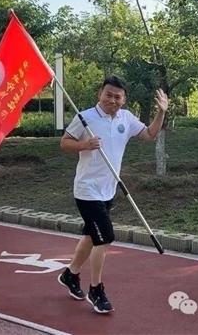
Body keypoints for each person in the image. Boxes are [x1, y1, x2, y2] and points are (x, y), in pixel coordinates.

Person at [57, 75, 168, 314]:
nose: (113, 100)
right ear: (100, 94)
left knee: (91, 235)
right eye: (109, 95)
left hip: (109, 189)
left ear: (124, 100)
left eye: (118, 97)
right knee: (105, 237)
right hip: (87, 190)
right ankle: (96, 289)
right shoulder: (85, 117)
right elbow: (64, 143)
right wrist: (85, 145)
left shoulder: (126, 118)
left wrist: (161, 112)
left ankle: (70, 274)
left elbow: (150, 135)